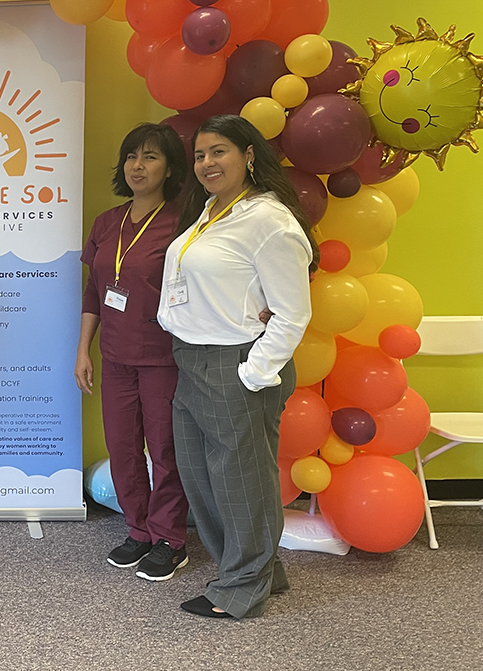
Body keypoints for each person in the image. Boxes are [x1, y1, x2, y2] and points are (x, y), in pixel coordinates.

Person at [157, 114, 316, 619]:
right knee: (204, 476)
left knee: (238, 478)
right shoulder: (210, 211)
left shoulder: (269, 220)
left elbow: (293, 312)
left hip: (235, 363)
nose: (206, 163)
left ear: (249, 155)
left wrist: (253, 371)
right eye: (200, 154)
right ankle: (260, 569)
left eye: (218, 151)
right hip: (192, 357)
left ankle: (242, 586)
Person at [75, 123, 190, 581]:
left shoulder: (184, 221)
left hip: (164, 356)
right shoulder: (107, 222)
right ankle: (138, 530)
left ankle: (170, 539)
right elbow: (93, 291)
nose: (138, 166)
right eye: (132, 157)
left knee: (165, 450)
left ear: (169, 168)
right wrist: (83, 350)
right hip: (116, 356)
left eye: (150, 157)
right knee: (123, 448)